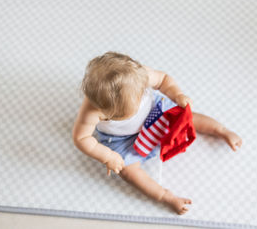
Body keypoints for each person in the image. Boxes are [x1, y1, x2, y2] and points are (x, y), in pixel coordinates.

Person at [72, 51, 243, 215]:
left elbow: (163, 80)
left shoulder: (139, 74)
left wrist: (178, 95)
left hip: (154, 111)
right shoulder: (92, 110)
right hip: (121, 138)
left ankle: (221, 130)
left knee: (184, 116)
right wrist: (107, 156)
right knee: (127, 171)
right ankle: (165, 196)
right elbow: (81, 138)